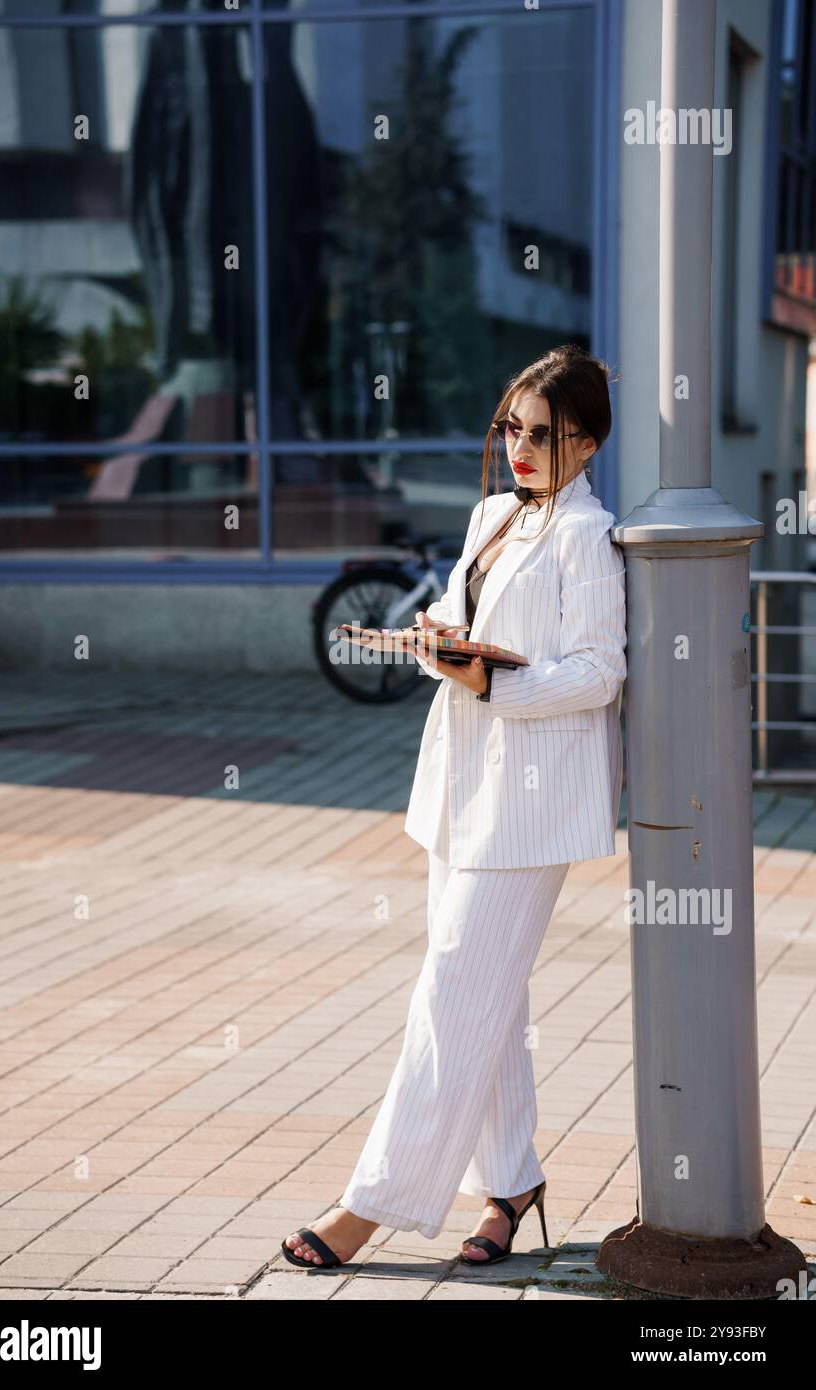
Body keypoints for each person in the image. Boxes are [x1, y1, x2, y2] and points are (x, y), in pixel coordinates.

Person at [282, 344, 627, 1268]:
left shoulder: (589, 538)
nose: (520, 446)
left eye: (543, 435)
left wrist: (491, 684)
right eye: (509, 426)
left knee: (448, 996)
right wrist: (437, 636)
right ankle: (510, 1183)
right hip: (460, 787)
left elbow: (600, 673)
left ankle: (370, 1204)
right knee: (488, 1001)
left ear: (587, 446)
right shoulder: (492, 515)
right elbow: (463, 612)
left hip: (531, 806)